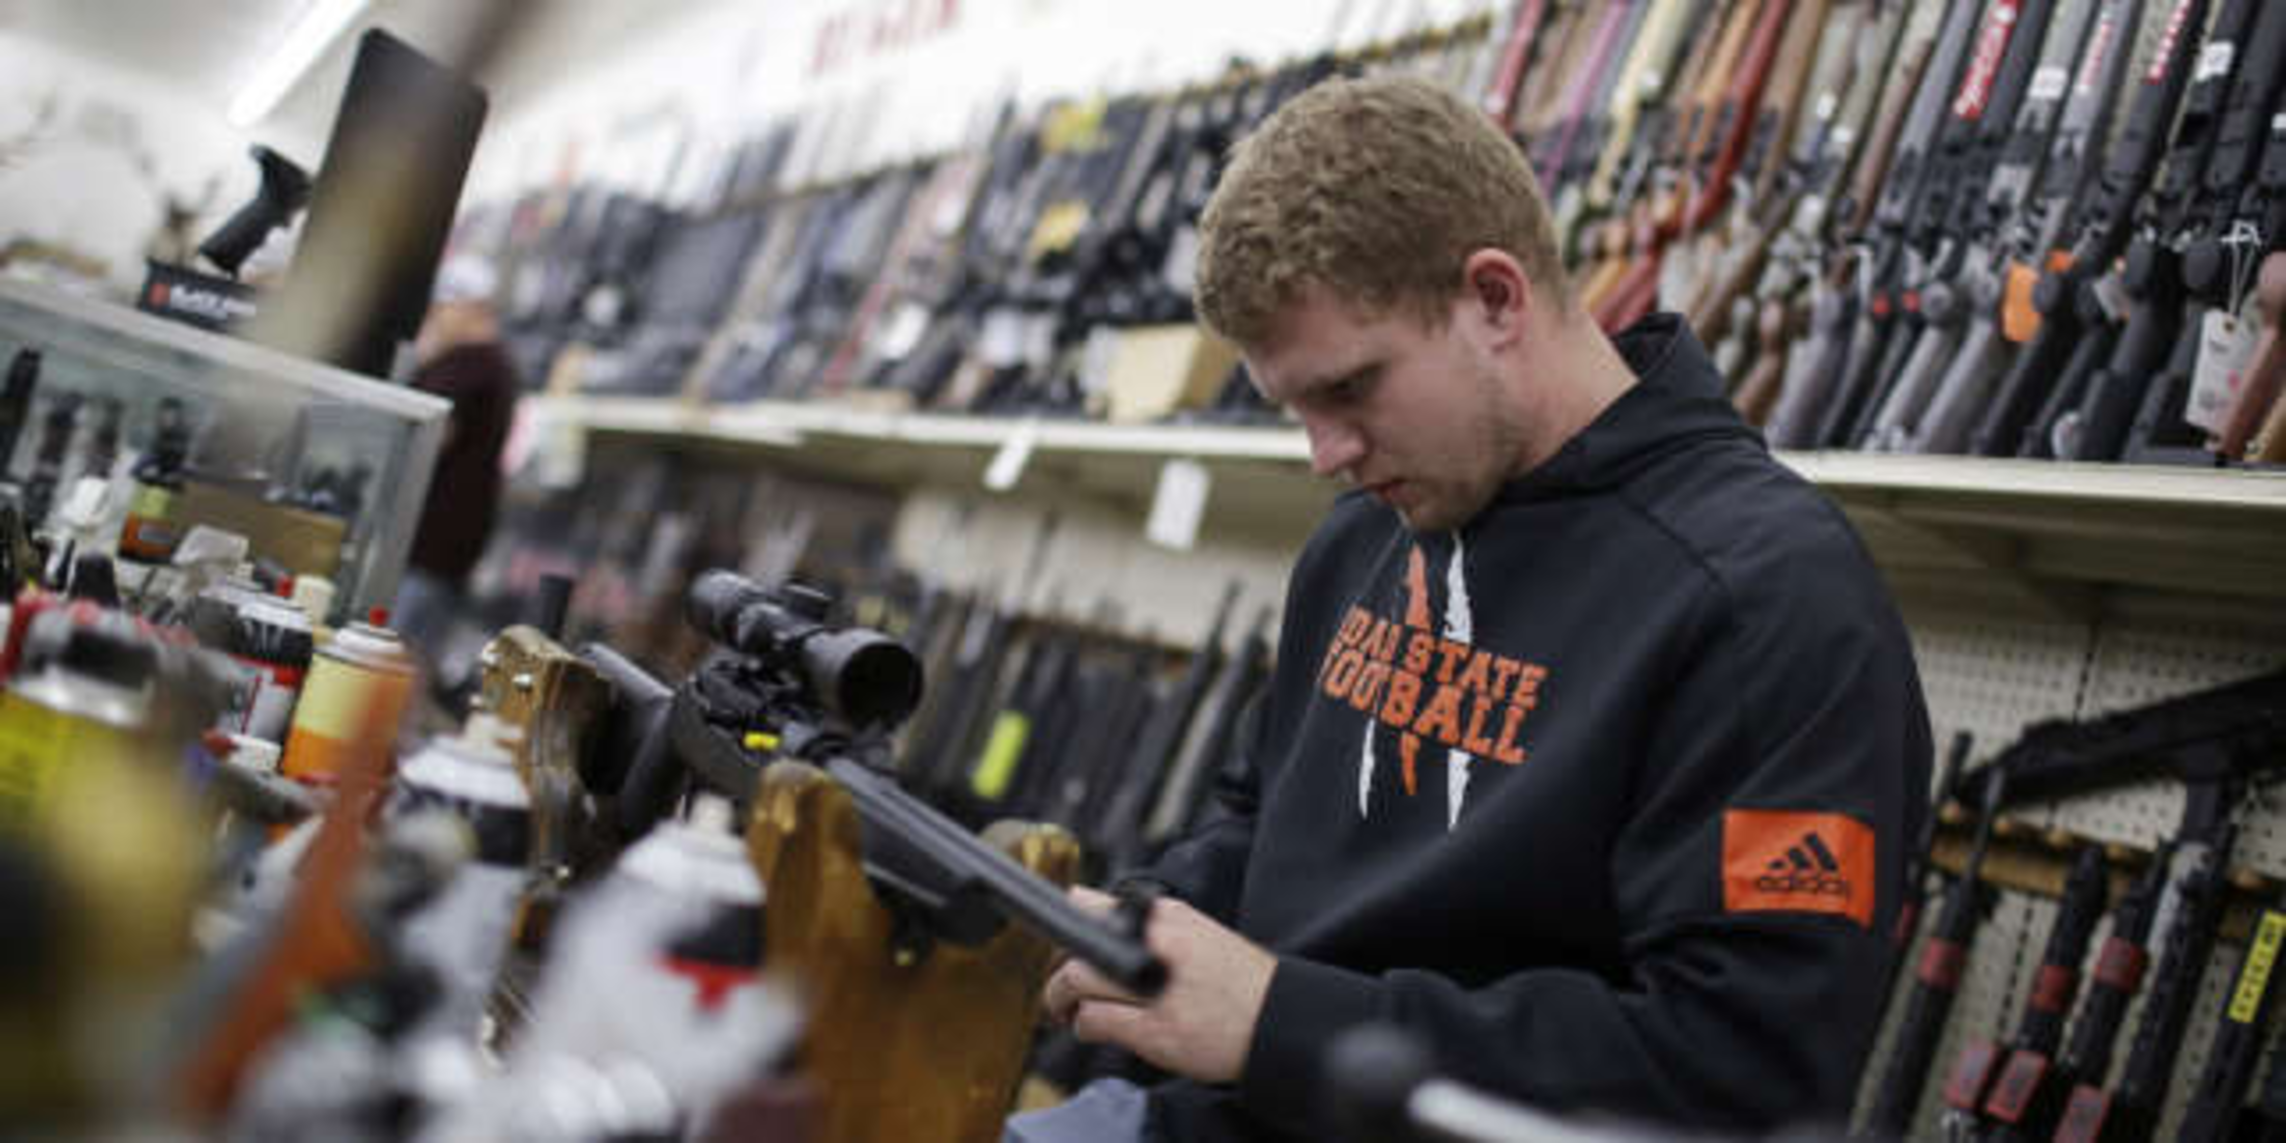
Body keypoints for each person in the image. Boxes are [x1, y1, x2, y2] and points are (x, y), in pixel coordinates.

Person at [1020, 75, 1932, 1141]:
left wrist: (1277, 1019)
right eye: (1295, 408)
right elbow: (1261, 819)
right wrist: (1122, 930)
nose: (1325, 454)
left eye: (1349, 388)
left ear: (1496, 299)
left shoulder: (1769, 601)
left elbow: (1741, 1075)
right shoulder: (1374, 526)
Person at [393, 254, 518, 664]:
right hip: (441, 550)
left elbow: (424, 440)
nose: (436, 317)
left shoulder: (470, 366)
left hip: (428, 549)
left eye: (442, 308)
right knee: (405, 659)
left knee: (391, 659)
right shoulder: (488, 364)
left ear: (468, 308)